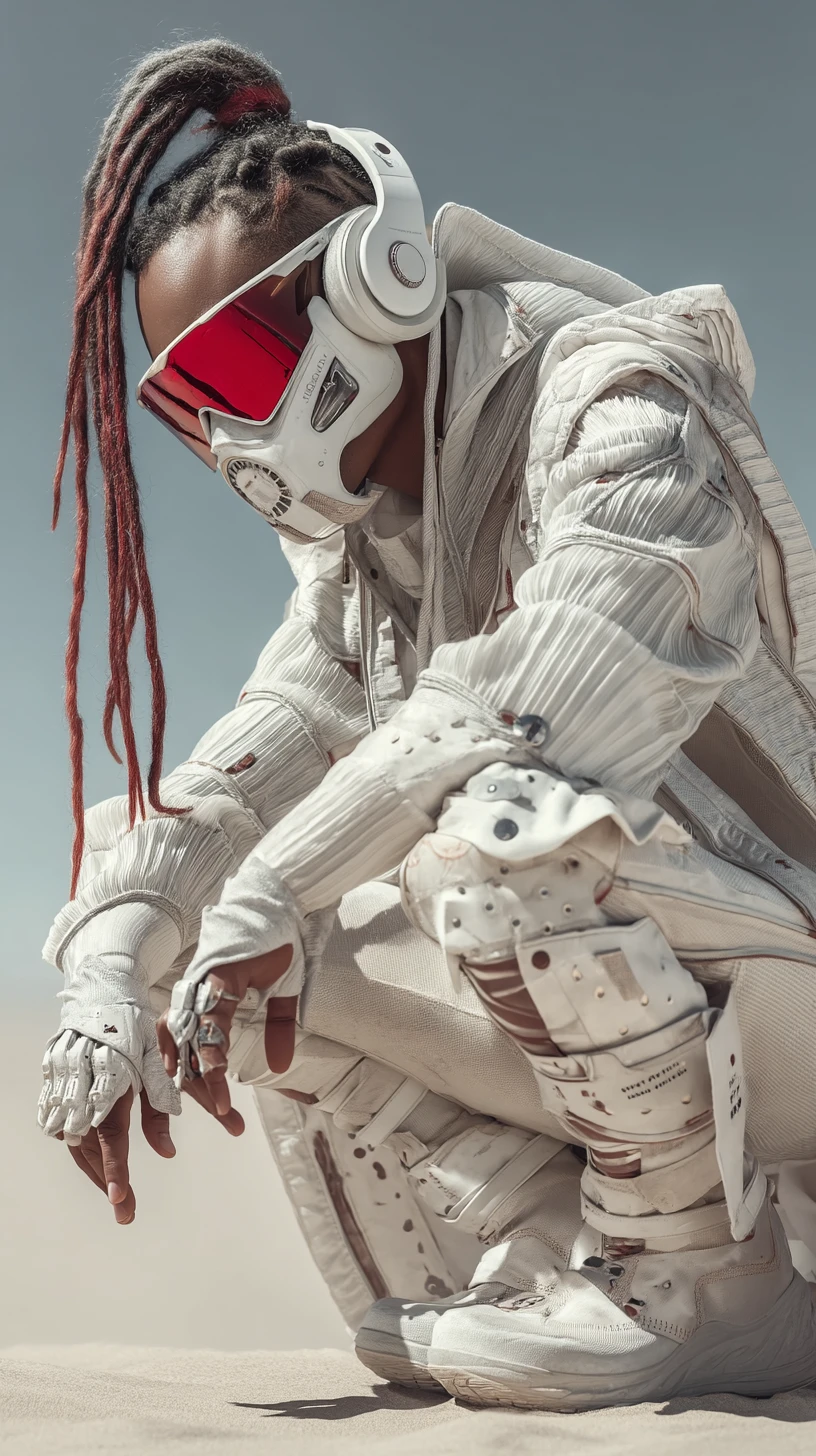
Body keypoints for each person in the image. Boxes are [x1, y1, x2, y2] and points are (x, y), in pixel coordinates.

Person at [39, 38, 816, 1410]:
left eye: (247, 357)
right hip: (703, 1021)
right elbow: (239, 776)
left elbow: (545, 689)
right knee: (213, 924)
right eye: (191, 399)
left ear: (382, 274)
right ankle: (554, 1256)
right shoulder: (367, 570)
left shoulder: (620, 397)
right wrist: (114, 968)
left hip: (792, 977)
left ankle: (709, 1285)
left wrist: (279, 884)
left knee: (495, 817)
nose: (231, 433)